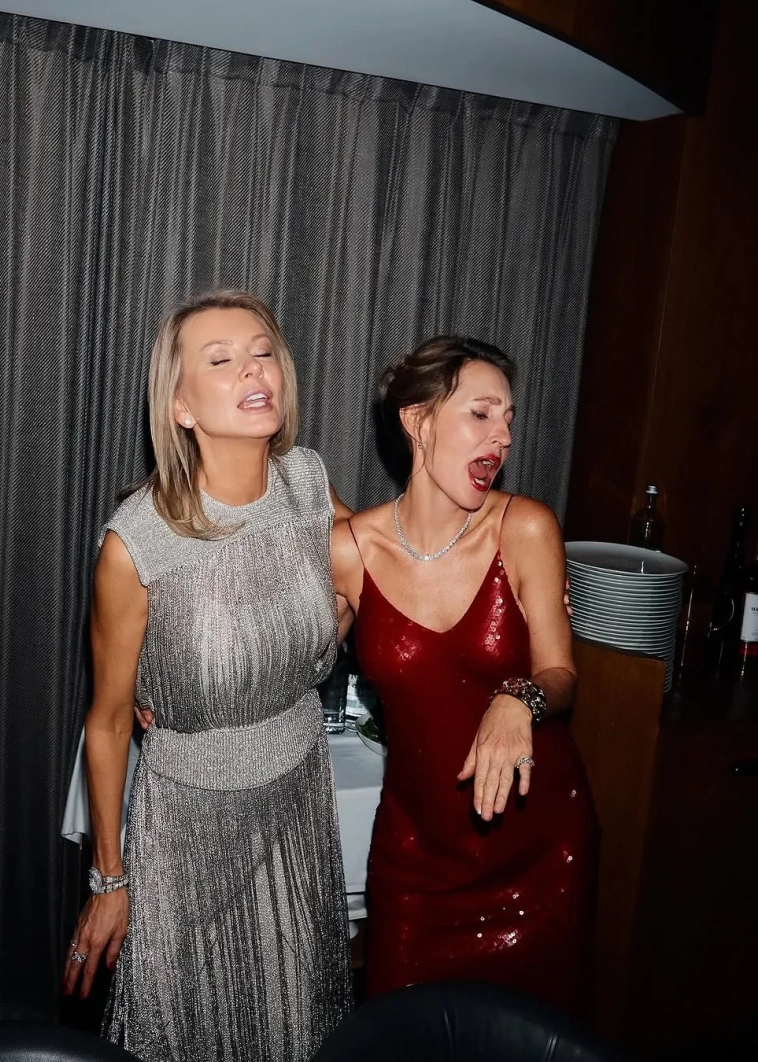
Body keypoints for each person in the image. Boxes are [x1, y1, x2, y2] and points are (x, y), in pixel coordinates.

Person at [63, 291, 352, 1062]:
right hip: (189, 829)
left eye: (263, 352)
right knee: (188, 1032)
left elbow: (375, 578)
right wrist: (109, 880)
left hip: (298, 804)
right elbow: (109, 722)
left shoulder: (308, 485)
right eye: (221, 360)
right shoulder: (138, 542)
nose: (253, 370)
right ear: (181, 406)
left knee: (296, 1026)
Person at [332, 336, 598, 1017]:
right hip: (416, 860)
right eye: (480, 414)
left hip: (538, 854)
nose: (502, 436)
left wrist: (518, 698)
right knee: (401, 1037)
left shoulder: (525, 528)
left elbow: (561, 673)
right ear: (417, 421)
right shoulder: (350, 550)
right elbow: (284, 661)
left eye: (508, 418)